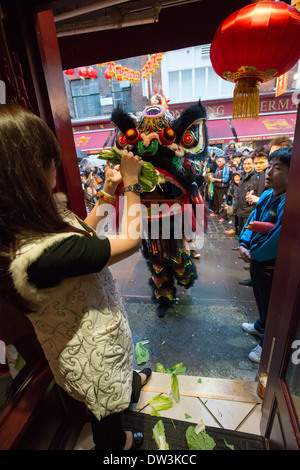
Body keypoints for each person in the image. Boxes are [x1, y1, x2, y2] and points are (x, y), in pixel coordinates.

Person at [0, 104, 151, 451]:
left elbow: (76, 233)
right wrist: (132, 184)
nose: (55, 164)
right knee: (105, 411)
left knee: (112, 384)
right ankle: (117, 444)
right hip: (91, 354)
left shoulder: (23, 226)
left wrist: (106, 191)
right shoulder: (41, 258)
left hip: (87, 340)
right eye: (49, 159)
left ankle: (129, 385)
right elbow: (130, 241)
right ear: (29, 170)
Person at [238, 147, 292, 363]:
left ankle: (268, 343)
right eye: (268, 166)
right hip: (256, 260)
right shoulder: (269, 194)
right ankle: (261, 326)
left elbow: (277, 237)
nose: (268, 172)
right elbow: (253, 221)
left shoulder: (289, 201)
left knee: (273, 305)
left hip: (271, 263)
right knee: (260, 296)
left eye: (277, 168)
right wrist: (243, 243)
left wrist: (253, 253)